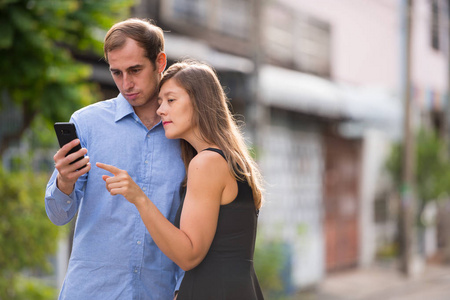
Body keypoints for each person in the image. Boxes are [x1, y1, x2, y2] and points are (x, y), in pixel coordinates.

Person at [97, 60, 265, 299]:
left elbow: (189, 255)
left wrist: (139, 199)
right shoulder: (229, 159)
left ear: (199, 102)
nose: (160, 110)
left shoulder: (206, 163)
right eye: (160, 102)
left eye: (171, 100)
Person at [45, 18, 185, 300]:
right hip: (90, 291)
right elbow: (59, 216)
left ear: (160, 62)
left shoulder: (185, 132)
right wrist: (65, 182)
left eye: (135, 70)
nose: (126, 84)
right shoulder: (87, 123)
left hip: (157, 292)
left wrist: (182, 288)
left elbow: (191, 225)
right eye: (116, 72)